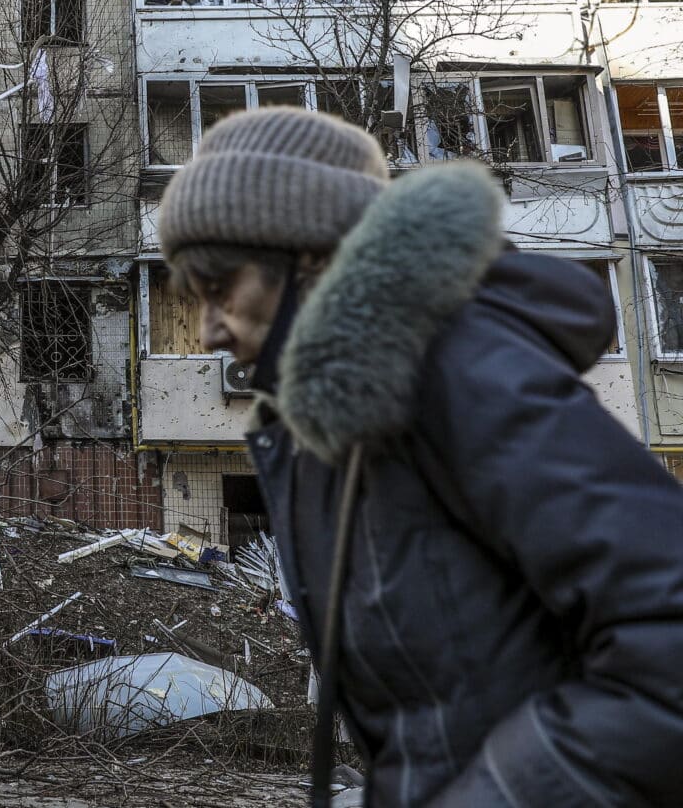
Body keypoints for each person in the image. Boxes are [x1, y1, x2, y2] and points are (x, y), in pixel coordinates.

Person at [156, 107, 683, 807]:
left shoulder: (462, 372)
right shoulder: (335, 428)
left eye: (221, 291)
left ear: (308, 255)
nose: (207, 330)